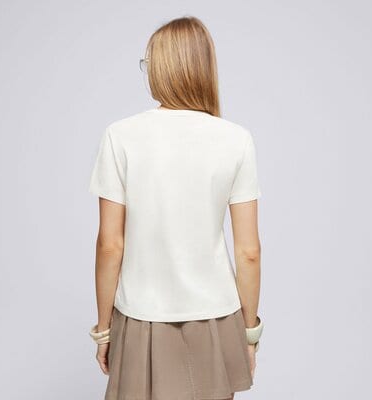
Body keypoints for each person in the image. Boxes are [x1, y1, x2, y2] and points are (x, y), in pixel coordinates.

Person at [88, 16, 264, 400]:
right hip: (216, 317)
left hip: (141, 315)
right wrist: (249, 334)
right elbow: (248, 252)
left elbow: (110, 244)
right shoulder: (236, 139)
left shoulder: (120, 136)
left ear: (160, 69)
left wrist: (104, 330)